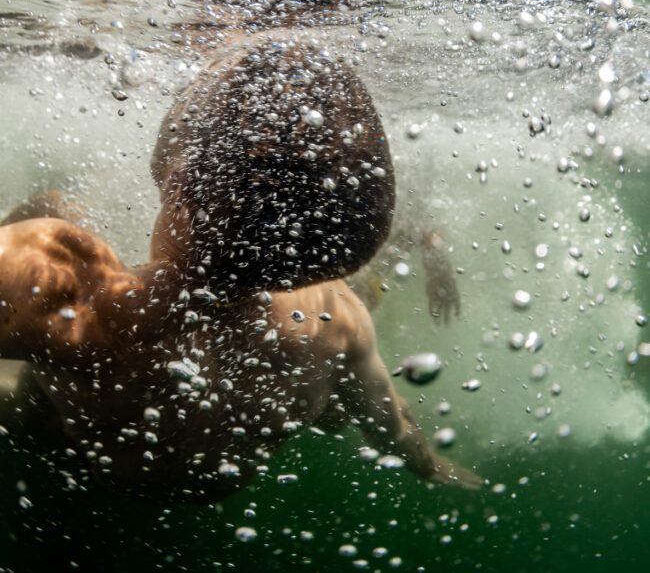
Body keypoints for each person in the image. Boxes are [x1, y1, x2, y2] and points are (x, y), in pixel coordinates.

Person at [0, 36, 481, 500]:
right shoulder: (340, 323)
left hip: (88, 459)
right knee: (334, 404)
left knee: (32, 398)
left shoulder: (78, 296)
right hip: (218, 482)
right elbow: (391, 429)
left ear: (176, 174)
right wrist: (428, 464)